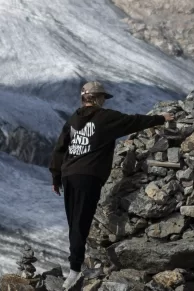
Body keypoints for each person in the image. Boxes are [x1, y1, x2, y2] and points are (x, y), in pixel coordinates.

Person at [50, 81, 174, 290]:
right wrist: (161, 118)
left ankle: (74, 267)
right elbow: (134, 121)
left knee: (74, 222)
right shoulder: (105, 117)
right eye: (103, 98)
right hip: (88, 176)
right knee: (81, 222)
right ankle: (75, 271)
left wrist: (55, 176)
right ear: (97, 98)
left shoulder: (73, 119)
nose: (104, 101)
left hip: (69, 175)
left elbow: (60, 148)